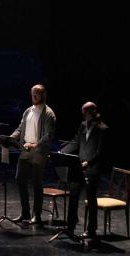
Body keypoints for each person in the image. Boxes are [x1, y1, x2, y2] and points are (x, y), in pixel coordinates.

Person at [10, 84, 56, 224]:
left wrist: (35, 145)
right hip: (25, 149)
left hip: (38, 151)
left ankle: (37, 215)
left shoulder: (48, 113)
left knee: (37, 183)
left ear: (43, 95)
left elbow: (49, 135)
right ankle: (25, 213)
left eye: (37, 94)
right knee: (19, 179)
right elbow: (20, 127)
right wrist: (12, 137)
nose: (34, 96)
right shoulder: (28, 111)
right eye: (32, 94)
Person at [61, 102, 107, 240]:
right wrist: (61, 152)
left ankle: (91, 230)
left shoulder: (102, 128)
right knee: (73, 195)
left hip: (92, 169)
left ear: (93, 112)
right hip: (79, 167)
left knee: (91, 199)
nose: (83, 115)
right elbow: (76, 142)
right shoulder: (82, 125)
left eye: (85, 112)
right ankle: (71, 226)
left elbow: (100, 152)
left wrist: (89, 162)